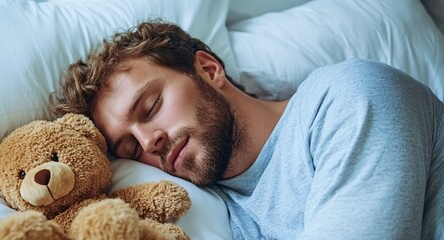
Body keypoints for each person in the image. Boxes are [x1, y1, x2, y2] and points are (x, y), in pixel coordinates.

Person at [50, 21, 443, 239]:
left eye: (151, 107)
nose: (148, 141)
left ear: (208, 69)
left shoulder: (350, 94)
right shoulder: (230, 218)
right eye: (131, 149)